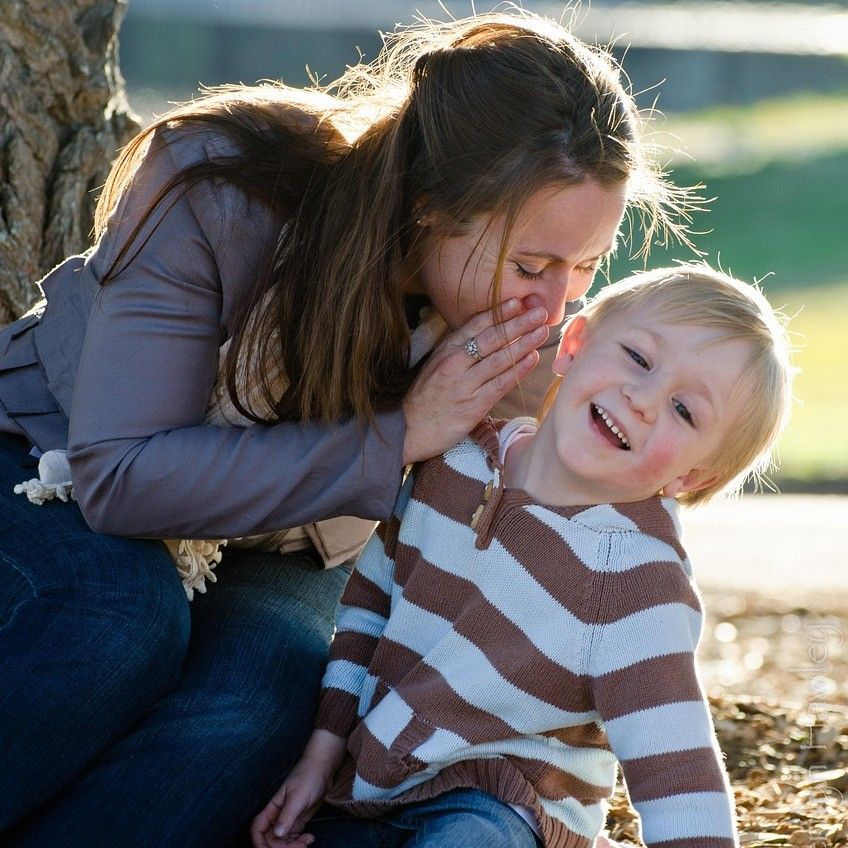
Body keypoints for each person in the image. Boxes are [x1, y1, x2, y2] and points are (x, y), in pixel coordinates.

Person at [0, 10, 690, 847]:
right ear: (431, 208)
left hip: (291, 542)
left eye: (584, 267)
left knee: (266, 697)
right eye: (531, 266)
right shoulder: (222, 187)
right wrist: (400, 435)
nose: (554, 307)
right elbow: (120, 476)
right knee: (119, 616)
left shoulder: (523, 331)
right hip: (48, 464)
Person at [251, 265, 793, 848]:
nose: (642, 400)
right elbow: (368, 610)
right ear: (575, 345)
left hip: (503, 807)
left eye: (684, 411)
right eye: (638, 357)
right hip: (371, 783)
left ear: (692, 476)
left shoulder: (635, 584)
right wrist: (322, 751)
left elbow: (679, 778)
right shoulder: (455, 460)